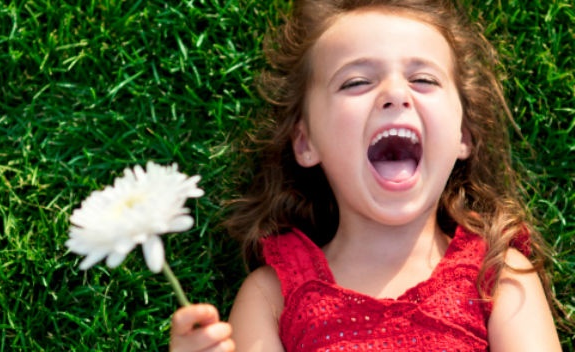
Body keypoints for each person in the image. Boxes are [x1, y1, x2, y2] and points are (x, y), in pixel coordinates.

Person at [169, 0, 563, 351]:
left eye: (424, 79)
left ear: (463, 135)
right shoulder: (273, 296)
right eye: (356, 82)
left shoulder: (498, 278)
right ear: (306, 142)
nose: (395, 93)